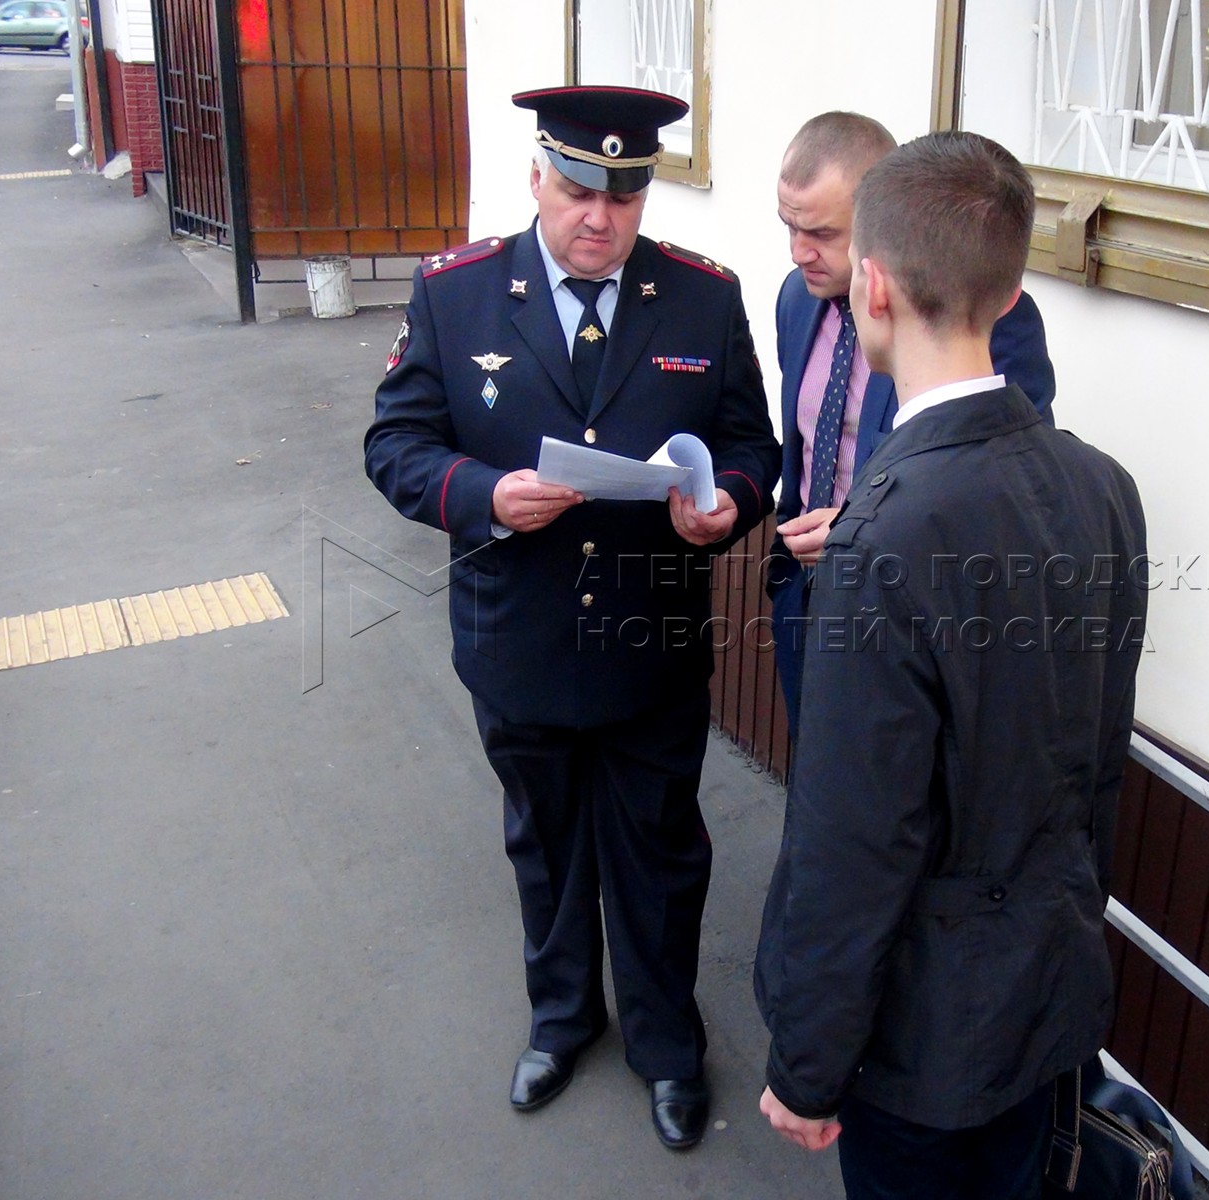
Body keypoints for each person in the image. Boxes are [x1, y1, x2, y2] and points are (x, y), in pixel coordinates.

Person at [364, 85, 778, 1152]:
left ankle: (665, 1044)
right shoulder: (455, 294)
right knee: (544, 847)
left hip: (651, 639)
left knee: (659, 851)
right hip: (521, 636)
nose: (600, 219)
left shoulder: (699, 297)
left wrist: (725, 504)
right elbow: (396, 445)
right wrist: (478, 494)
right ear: (538, 176)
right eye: (580, 191)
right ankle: (561, 1020)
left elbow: (749, 443)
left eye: (625, 196)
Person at [752, 132, 1149, 1199]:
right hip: (1045, 996)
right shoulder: (1103, 486)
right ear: (1008, 286)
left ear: (871, 287)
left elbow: (855, 840)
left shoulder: (880, 538)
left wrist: (807, 1065)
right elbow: (1096, 765)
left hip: (922, 1048)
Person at [767, 111, 1057, 740]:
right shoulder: (797, 297)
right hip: (805, 599)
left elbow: (996, 484)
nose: (798, 252)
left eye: (820, 232)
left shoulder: (980, 319)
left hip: (907, 616)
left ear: (879, 218)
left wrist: (855, 532)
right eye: (788, 226)